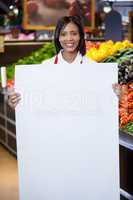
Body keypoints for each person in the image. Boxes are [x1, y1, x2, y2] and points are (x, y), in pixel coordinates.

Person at [8, 15, 95, 108]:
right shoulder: (45, 66)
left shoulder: (93, 67)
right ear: (58, 37)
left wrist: (112, 97)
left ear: (81, 36)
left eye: (74, 33)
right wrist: (16, 103)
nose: (69, 38)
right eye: (63, 34)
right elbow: (34, 101)